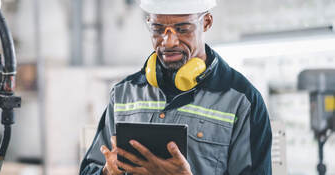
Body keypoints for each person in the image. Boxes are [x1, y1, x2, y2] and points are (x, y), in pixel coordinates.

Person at [79, 0, 272, 174]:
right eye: (157, 28)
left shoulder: (242, 101)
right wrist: (106, 172)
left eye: (182, 29)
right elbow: (90, 169)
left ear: (206, 22)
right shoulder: (124, 93)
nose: (168, 41)